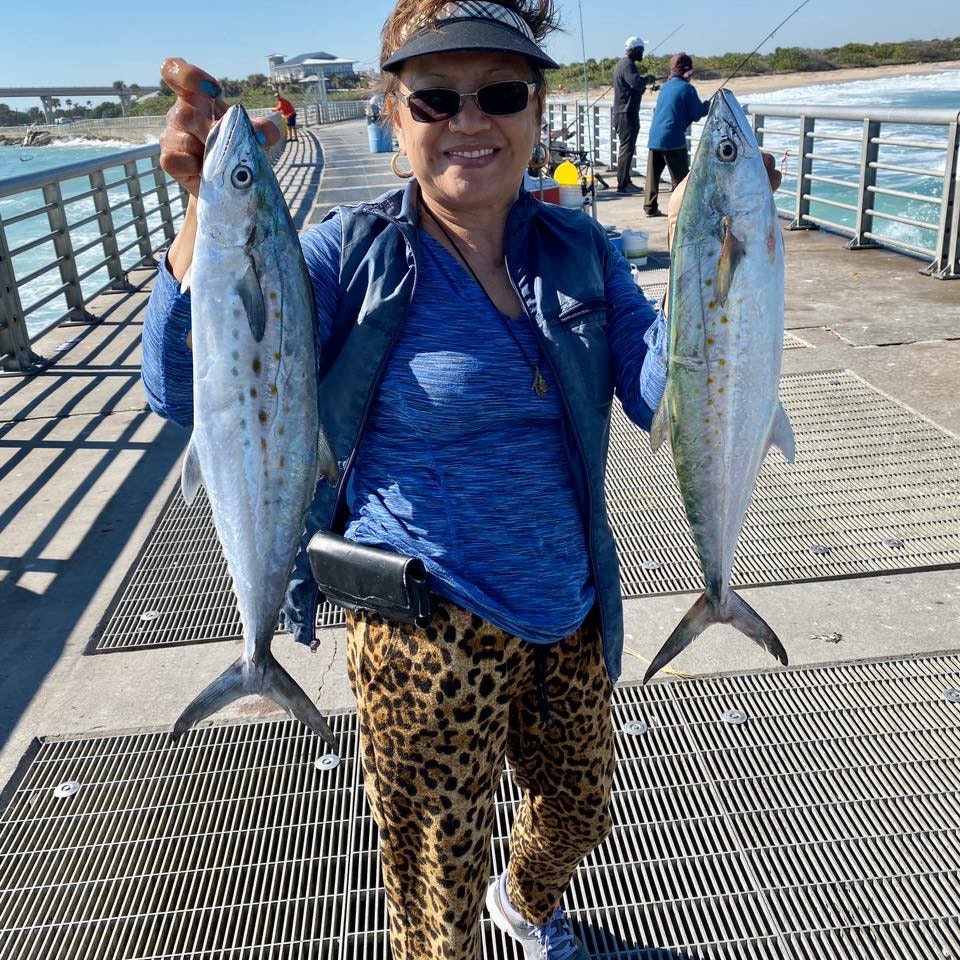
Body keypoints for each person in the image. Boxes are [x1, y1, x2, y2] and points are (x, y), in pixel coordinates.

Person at [142, 3, 671, 959]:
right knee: (436, 885)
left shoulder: (581, 250)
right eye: (434, 97)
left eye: (500, 93)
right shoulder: (349, 254)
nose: (470, 119)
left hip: (570, 601)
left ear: (536, 112)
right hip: (425, 627)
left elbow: (654, 392)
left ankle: (530, 908)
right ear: (394, 117)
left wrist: (730, 276)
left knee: (580, 812)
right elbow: (184, 388)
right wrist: (199, 222)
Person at [643, 52, 708, 217]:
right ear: (688, 72)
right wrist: (708, 104)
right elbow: (697, 113)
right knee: (681, 180)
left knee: (652, 177)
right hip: (672, 138)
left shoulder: (665, 87)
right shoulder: (687, 89)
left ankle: (650, 208)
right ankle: (682, 211)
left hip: (655, 137)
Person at [611, 36, 656, 194]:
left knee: (627, 148)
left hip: (623, 112)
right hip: (626, 113)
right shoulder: (627, 65)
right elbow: (635, 83)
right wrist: (648, 79)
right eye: (642, 50)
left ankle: (625, 181)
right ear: (635, 50)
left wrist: (644, 85)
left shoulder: (623, 64)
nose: (643, 53)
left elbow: (633, 88)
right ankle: (623, 184)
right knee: (627, 149)